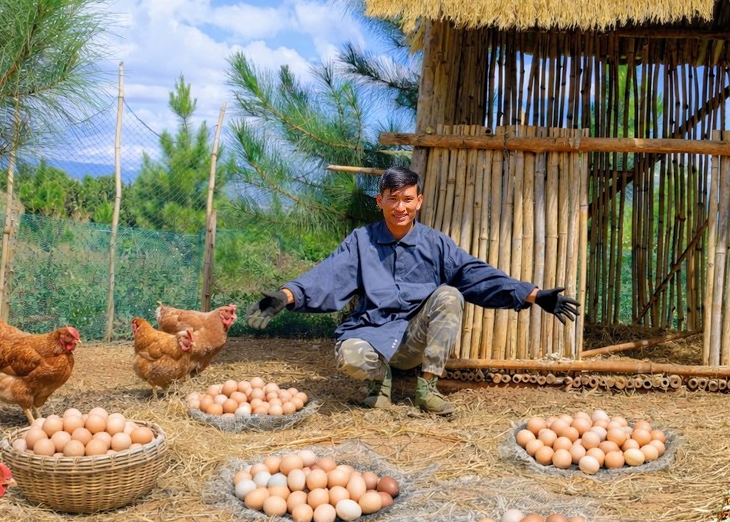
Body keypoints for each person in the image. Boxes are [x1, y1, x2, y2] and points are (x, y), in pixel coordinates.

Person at [246, 167, 580, 416]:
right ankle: (379, 384)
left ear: (418, 201)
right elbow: (328, 275)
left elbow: (473, 274)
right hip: (374, 336)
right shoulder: (361, 241)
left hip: (415, 340)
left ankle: (427, 388)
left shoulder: (435, 243)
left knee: (450, 294)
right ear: (380, 201)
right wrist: (285, 296)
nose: (400, 207)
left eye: (408, 199)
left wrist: (532, 294)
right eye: (393, 199)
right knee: (348, 355)